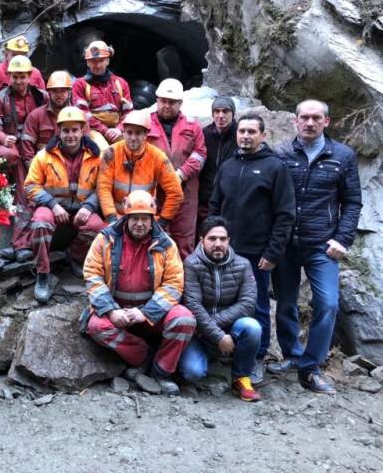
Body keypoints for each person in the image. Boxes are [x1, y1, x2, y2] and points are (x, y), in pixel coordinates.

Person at [269, 99, 362, 394]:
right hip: (285, 243)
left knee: (328, 303)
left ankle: (310, 368)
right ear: (295, 121)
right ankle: (292, 356)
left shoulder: (342, 156)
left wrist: (343, 238)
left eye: (316, 118)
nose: (309, 123)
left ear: (326, 122)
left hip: (323, 244)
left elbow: (352, 202)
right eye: (304, 118)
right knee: (285, 303)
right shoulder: (281, 153)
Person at [209, 114, 295, 385]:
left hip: (258, 254)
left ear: (263, 135)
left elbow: (285, 214)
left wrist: (272, 253)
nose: (245, 136)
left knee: (257, 305)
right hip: (224, 251)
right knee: (221, 301)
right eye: (242, 131)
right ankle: (225, 350)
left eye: (251, 132)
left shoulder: (274, 168)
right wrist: (211, 240)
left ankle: (256, 357)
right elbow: (214, 206)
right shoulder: (228, 165)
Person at [81, 190, 194, 395]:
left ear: (152, 220)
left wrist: (146, 313)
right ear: (126, 217)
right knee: (97, 326)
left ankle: (162, 372)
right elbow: (92, 275)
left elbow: (174, 284)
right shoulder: (105, 239)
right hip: (118, 312)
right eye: (134, 218)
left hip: (151, 315)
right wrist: (111, 310)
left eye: (144, 218)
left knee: (184, 319)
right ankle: (143, 357)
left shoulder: (166, 245)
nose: (139, 224)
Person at [23, 107, 107, 303]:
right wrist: (52, 204)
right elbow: (30, 186)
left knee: (99, 229)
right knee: (41, 222)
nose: (70, 135)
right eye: (66, 130)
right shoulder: (44, 156)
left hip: (82, 206)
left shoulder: (97, 157)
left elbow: (103, 187)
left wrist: (89, 207)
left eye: (75, 130)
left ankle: (75, 257)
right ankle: (43, 273)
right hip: (53, 207)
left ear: (82, 131)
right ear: (58, 132)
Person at [180, 216, 262, 402]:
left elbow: (248, 303)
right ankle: (205, 358)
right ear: (202, 240)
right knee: (193, 373)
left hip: (224, 330)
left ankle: (241, 377)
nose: (218, 244)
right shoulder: (191, 264)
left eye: (223, 239)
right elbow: (192, 305)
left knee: (252, 326)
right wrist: (217, 336)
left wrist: (218, 332)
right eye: (212, 239)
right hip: (198, 333)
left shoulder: (243, 265)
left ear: (229, 241)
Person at [146, 78, 206, 259]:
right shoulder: (144, 122)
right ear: (156, 100)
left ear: (181, 103)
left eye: (171, 102)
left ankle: (184, 282)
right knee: (153, 235)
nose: (166, 105)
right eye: (163, 101)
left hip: (185, 191)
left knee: (184, 237)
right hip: (154, 190)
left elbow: (200, 153)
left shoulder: (192, 125)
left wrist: (181, 173)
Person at [96, 109, 182, 226]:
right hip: (116, 217)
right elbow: (103, 187)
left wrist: (162, 221)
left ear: (146, 134)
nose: (133, 137)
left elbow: (175, 192)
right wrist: (111, 217)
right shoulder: (112, 153)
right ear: (123, 133)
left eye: (138, 133)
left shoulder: (158, 157)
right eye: (129, 132)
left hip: (143, 221)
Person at [0, 54, 47, 210]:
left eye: (22, 77)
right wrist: (3, 138)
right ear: (9, 77)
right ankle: (16, 199)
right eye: (15, 77)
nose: (18, 81)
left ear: (29, 77)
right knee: (11, 155)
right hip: (11, 142)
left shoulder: (40, 96)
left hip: (33, 141)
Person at [71, 40, 133, 144]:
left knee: (129, 150)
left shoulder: (121, 83)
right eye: (93, 61)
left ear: (107, 61)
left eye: (101, 60)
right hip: (92, 130)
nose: (97, 65)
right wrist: (105, 130)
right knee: (102, 152)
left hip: (117, 130)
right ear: (88, 62)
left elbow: (128, 112)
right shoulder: (80, 84)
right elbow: (83, 114)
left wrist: (119, 129)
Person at [198, 96, 238, 226]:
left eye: (225, 111)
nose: (221, 115)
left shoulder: (241, 135)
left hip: (232, 200)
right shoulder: (204, 134)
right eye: (217, 111)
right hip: (206, 199)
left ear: (233, 113)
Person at [21, 70, 74, 163]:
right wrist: (34, 169)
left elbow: (85, 148)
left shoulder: (79, 116)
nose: (59, 95)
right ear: (49, 92)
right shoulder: (36, 116)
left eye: (63, 91)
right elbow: (27, 147)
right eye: (55, 91)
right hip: (43, 165)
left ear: (69, 92)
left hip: (70, 165)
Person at [0, 35, 45, 103]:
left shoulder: (35, 73)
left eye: (22, 55)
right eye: (14, 55)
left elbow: (44, 99)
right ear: (6, 54)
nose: (18, 59)